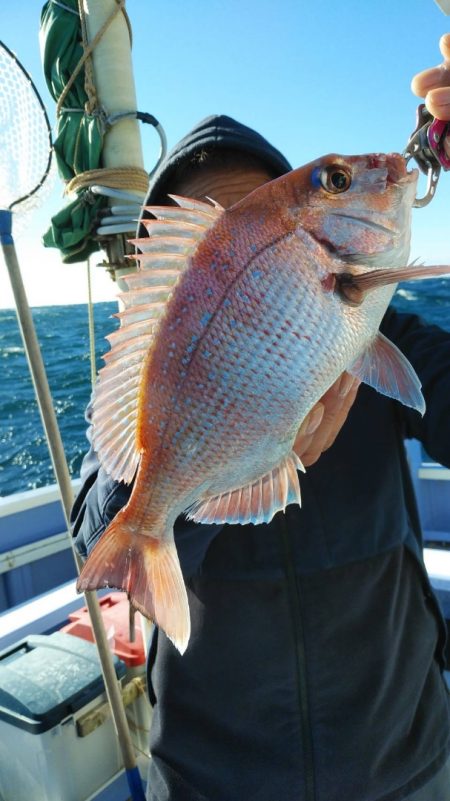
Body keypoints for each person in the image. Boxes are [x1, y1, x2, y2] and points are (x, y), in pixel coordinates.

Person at [72, 36, 450, 801]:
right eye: (199, 251)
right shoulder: (149, 384)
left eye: (241, 224)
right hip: (211, 783)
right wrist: (161, 499)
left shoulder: (382, 338)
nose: (223, 262)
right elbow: (95, 527)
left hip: (404, 764)